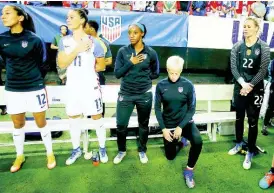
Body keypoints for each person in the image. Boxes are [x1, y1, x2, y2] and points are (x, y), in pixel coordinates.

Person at [0, 5, 56, 172]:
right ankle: (20, 155)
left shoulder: (34, 40)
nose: (3, 16)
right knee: (18, 124)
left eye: (7, 13)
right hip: (12, 89)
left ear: (20, 18)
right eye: (2, 14)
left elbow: (44, 64)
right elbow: (3, 61)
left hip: (34, 88)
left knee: (41, 122)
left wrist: (33, 78)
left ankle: (50, 152)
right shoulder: (1, 39)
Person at [57, 8, 107, 165]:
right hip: (72, 88)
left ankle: (102, 147)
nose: (68, 20)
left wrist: (86, 72)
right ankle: (76, 149)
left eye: (72, 17)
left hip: (91, 88)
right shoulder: (64, 41)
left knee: (97, 118)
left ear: (82, 20)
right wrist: (77, 50)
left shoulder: (94, 42)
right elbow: (62, 63)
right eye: (67, 17)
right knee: (73, 119)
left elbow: (101, 66)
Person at [113, 22, 159, 164]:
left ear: (142, 34)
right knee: (121, 125)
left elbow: (156, 72)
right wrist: (130, 63)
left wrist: (144, 80)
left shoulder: (151, 53)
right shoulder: (123, 51)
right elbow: (117, 74)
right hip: (126, 94)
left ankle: (142, 150)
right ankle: (121, 150)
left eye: (135, 32)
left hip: (144, 94)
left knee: (143, 124)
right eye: (129, 33)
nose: (131, 36)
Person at [154, 56, 203, 189]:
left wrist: (181, 127)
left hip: (185, 123)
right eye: (171, 72)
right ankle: (181, 143)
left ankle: (189, 170)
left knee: (198, 141)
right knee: (170, 157)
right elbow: (157, 109)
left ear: (180, 71)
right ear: (167, 70)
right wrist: (163, 129)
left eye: (177, 73)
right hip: (168, 125)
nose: (174, 76)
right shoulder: (161, 86)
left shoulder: (188, 85)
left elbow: (192, 109)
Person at [228, 17, 270, 170]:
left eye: (249, 26)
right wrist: (243, 84)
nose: (245, 29)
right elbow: (233, 68)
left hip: (255, 89)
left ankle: (250, 150)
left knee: (253, 121)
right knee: (239, 117)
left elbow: (263, 70)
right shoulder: (237, 47)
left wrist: (250, 85)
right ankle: (239, 143)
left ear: (256, 29)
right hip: (240, 87)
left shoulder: (263, 47)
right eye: (244, 26)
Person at [84, 20, 112, 117]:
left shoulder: (103, 43)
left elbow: (109, 61)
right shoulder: (82, 41)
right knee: (85, 96)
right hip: (84, 74)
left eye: (85, 27)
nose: (83, 29)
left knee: (99, 97)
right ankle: (87, 118)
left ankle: (100, 118)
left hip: (98, 74)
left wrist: (96, 64)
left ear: (92, 29)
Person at [261, 60, 274, 135]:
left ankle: (269, 121)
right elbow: (271, 72)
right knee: (271, 107)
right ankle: (265, 126)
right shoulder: (272, 62)